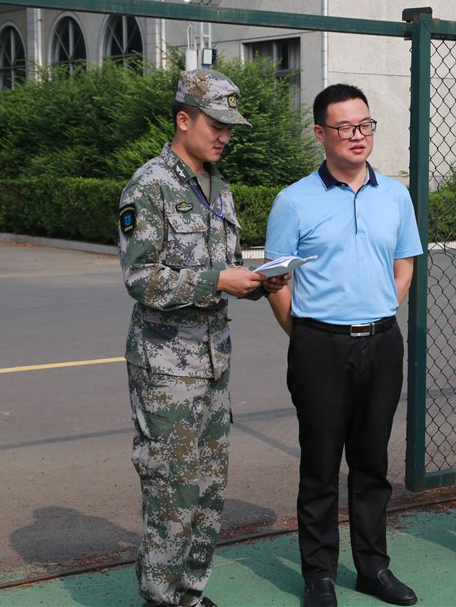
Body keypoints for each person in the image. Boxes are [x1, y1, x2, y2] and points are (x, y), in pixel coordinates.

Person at [119, 69, 287, 607]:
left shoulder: (218, 187)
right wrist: (218, 279)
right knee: (172, 484)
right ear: (183, 119)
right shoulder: (149, 186)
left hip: (213, 360)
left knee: (209, 485)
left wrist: (256, 283)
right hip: (166, 365)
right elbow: (140, 279)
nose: (224, 136)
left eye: (230, 128)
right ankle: (160, 598)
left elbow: (223, 268)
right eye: (216, 125)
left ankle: (189, 593)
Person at [264, 84, 423, 607]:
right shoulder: (293, 200)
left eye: (365, 125)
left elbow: (404, 262)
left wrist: (380, 309)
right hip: (320, 347)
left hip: (381, 343)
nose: (358, 136)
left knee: (372, 464)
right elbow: (277, 280)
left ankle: (373, 567)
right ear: (320, 133)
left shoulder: (394, 195)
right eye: (345, 127)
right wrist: (308, 335)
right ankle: (320, 575)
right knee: (320, 464)